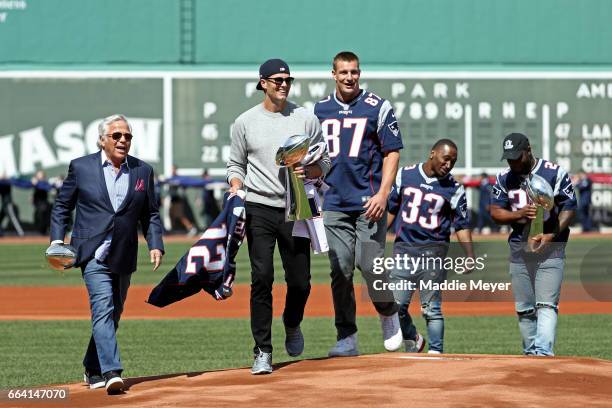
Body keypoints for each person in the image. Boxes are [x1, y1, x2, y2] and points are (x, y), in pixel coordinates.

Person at [227, 58, 330, 374]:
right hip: (258, 206)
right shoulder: (244, 122)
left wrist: (309, 169)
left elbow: (324, 162)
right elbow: (236, 165)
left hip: (296, 204)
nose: (283, 84)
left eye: (288, 79)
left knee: (300, 281)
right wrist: (235, 187)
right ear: (263, 83)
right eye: (277, 80)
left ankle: (292, 322)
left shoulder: (305, 118)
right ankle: (262, 351)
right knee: (262, 278)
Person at [49, 114, 164, 394]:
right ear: (102, 140)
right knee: (103, 308)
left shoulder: (143, 171)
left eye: (127, 136)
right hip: (91, 254)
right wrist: (56, 241)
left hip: (124, 254)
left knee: (114, 313)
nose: (123, 140)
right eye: (117, 136)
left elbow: (150, 213)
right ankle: (111, 371)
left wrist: (155, 243)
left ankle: (91, 365)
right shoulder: (81, 167)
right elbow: (62, 206)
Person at [314, 51, 404, 357]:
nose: (349, 77)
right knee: (340, 270)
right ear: (333, 75)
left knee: (370, 266)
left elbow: (392, 152)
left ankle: (388, 313)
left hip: (370, 204)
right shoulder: (319, 110)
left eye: (354, 72)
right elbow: (311, 156)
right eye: (343, 72)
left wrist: (383, 194)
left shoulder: (377, 106)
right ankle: (347, 336)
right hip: (334, 203)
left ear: (359, 73)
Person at [490, 132, 576, 356]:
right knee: (525, 310)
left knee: (546, 305)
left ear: (528, 150)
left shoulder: (554, 172)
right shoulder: (504, 178)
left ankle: (543, 354)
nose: (513, 162)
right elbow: (495, 212)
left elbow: (569, 208)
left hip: (551, 248)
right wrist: (517, 214)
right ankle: (531, 357)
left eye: (516, 157)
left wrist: (552, 235)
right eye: (509, 158)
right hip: (519, 248)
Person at [387, 139, 474, 354]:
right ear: (432, 153)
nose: (449, 165)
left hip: (434, 254)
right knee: (395, 307)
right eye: (446, 159)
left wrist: (470, 255)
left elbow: (461, 225)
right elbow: (391, 209)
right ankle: (414, 338)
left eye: (453, 162)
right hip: (404, 251)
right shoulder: (405, 175)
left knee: (432, 310)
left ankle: (436, 353)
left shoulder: (454, 188)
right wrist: (376, 239)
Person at [32, 170, 52, 235]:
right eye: (38, 175)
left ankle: (44, 230)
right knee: (38, 215)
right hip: (38, 202)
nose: (39, 177)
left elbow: (48, 188)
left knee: (44, 213)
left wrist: (37, 183)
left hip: (44, 202)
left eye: (40, 175)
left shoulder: (44, 183)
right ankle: (40, 230)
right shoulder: (35, 183)